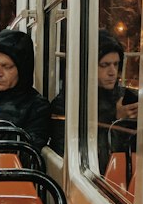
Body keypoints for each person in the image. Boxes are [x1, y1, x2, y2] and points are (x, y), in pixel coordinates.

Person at [49, 30, 138, 172]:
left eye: (116, 64)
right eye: (104, 65)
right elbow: (73, 153)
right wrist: (116, 121)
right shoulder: (65, 105)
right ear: (87, 67)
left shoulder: (128, 99)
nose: (112, 72)